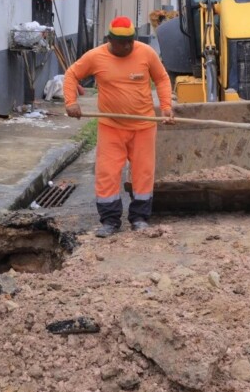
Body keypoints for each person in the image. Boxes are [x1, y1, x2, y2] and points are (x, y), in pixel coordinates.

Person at [63, 16, 174, 238]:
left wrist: (166, 107)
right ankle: (110, 221)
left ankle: (140, 218)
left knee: (143, 173)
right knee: (108, 173)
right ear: (109, 40)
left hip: (144, 125)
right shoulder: (96, 56)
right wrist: (71, 102)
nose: (127, 46)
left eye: (130, 42)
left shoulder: (145, 53)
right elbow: (72, 74)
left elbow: (161, 78)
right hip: (111, 126)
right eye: (121, 42)